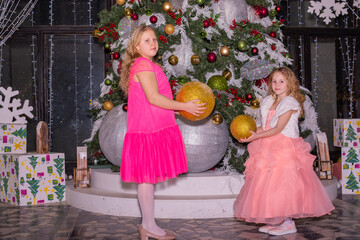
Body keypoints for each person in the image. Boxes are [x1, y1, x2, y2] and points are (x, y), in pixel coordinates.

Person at [118, 25, 206, 240]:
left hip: (153, 128)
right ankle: (148, 225)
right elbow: (154, 98)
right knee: (146, 180)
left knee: (147, 180)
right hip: (148, 130)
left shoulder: (147, 64)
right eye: (147, 40)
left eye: (154, 39)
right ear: (137, 46)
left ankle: (148, 225)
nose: (153, 43)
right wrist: (185, 107)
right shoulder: (142, 65)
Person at [233, 67, 335, 236]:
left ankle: (288, 223)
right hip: (267, 146)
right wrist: (249, 134)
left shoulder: (290, 103)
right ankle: (277, 220)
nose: (277, 85)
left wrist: (254, 138)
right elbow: (265, 126)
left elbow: (278, 128)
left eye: (282, 81)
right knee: (268, 185)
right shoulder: (268, 102)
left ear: (289, 84)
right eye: (274, 81)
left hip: (283, 147)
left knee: (283, 186)